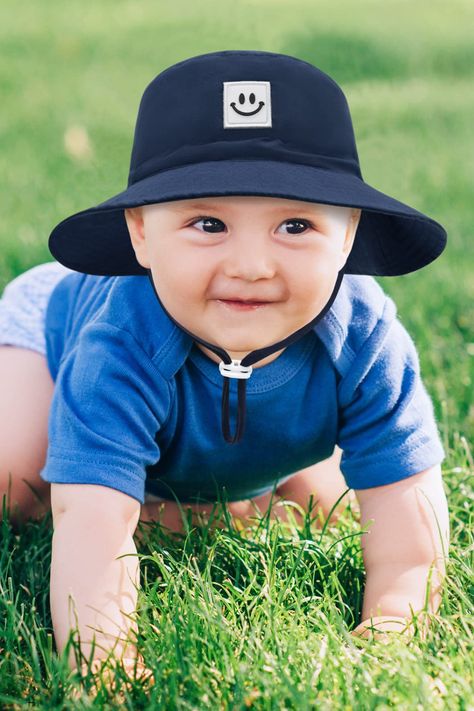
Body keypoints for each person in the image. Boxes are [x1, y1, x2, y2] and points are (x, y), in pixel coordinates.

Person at [0, 50, 450, 680]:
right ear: (140, 233)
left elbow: (407, 500)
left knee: (330, 505)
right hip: (51, 338)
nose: (251, 266)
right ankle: (150, 488)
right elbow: (90, 522)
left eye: (294, 225)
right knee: (18, 485)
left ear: (348, 236)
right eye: (208, 223)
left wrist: (395, 619)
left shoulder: (366, 338)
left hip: (249, 414)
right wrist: (103, 663)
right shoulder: (117, 342)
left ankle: (193, 498)